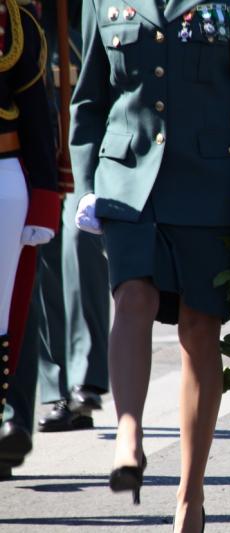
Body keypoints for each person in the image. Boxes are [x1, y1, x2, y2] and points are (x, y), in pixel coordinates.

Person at [70, 1, 230, 530]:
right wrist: (84, 188)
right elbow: (88, 100)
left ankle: (190, 495)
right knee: (133, 295)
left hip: (207, 183)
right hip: (127, 179)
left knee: (200, 328)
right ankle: (128, 438)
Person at [0, 0, 61, 476]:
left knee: (8, 311)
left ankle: (10, 419)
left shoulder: (12, 24)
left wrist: (45, 195)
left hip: (5, 175)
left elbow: (37, 116)